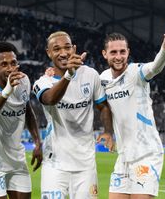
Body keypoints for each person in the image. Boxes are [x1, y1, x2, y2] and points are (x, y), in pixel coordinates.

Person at [100, 19, 165, 199]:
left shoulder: (136, 72)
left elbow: (155, 67)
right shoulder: (103, 79)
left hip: (146, 153)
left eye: (122, 51)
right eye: (113, 52)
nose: (118, 56)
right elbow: (103, 107)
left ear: (128, 52)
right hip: (123, 156)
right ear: (104, 54)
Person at [33, 31, 114, 199]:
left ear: (74, 49)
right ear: (49, 53)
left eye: (67, 47)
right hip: (54, 164)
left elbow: (103, 106)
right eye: (56, 49)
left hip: (85, 165)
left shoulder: (90, 75)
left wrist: (107, 131)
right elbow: (50, 99)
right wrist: (69, 75)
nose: (63, 53)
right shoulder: (43, 82)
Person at [0, 41, 43, 199]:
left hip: (16, 158)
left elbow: (28, 111)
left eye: (13, 63)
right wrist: (7, 90)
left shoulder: (24, 82)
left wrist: (38, 142)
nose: (10, 68)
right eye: (4, 64)